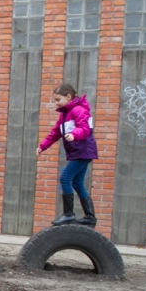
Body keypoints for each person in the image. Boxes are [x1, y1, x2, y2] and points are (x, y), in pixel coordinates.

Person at [37, 83, 98, 227]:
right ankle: (90, 217)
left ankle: (69, 214)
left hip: (82, 152)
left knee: (65, 178)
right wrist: (42, 147)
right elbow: (55, 133)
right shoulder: (65, 115)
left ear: (68, 97)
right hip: (77, 152)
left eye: (58, 100)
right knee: (77, 182)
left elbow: (84, 129)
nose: (56, 103)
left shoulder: (79, 110)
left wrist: (73, 135)